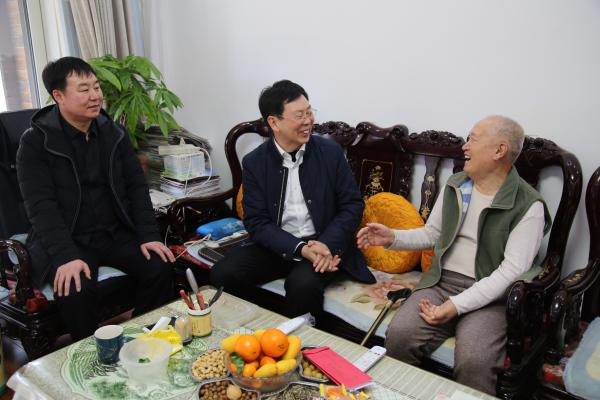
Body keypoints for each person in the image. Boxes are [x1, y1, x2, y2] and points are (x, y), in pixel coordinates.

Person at [357, 115, 551, 394]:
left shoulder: (528, 205)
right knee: (400, 335)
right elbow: (432, 234)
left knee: (475, 361)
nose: (465, 146)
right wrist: (392, 237)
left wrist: (456, 306)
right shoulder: (457, 184)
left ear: (499, 150)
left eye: (473, 139)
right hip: (441, 283)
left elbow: (511, 272)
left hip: (490, 297)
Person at [16, 57, 175, 340]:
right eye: (84, 89)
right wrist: (65, 256)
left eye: (96, 87)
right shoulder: (35, 142)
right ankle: (93, 354)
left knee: (160, 264)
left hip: (114, 233)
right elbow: (41, 207)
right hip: (70, 238)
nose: (95, 95)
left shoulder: (114, 133)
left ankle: (141, 340)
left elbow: (136, 188)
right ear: (59, 96)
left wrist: (149, 236)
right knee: (74, 289)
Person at [211, 79, 375, 320]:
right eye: (299, 115)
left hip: (323, 245)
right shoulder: (255, 162)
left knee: (302, 285)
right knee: (223, 273)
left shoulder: (330, 153)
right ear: (274, 122)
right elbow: (256, 221)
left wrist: (325, 244)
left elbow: (352, 205)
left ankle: (301, 341)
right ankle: (255, 329)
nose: (308, 121)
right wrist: (300, 249)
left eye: (309, 112)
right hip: (279, 245)